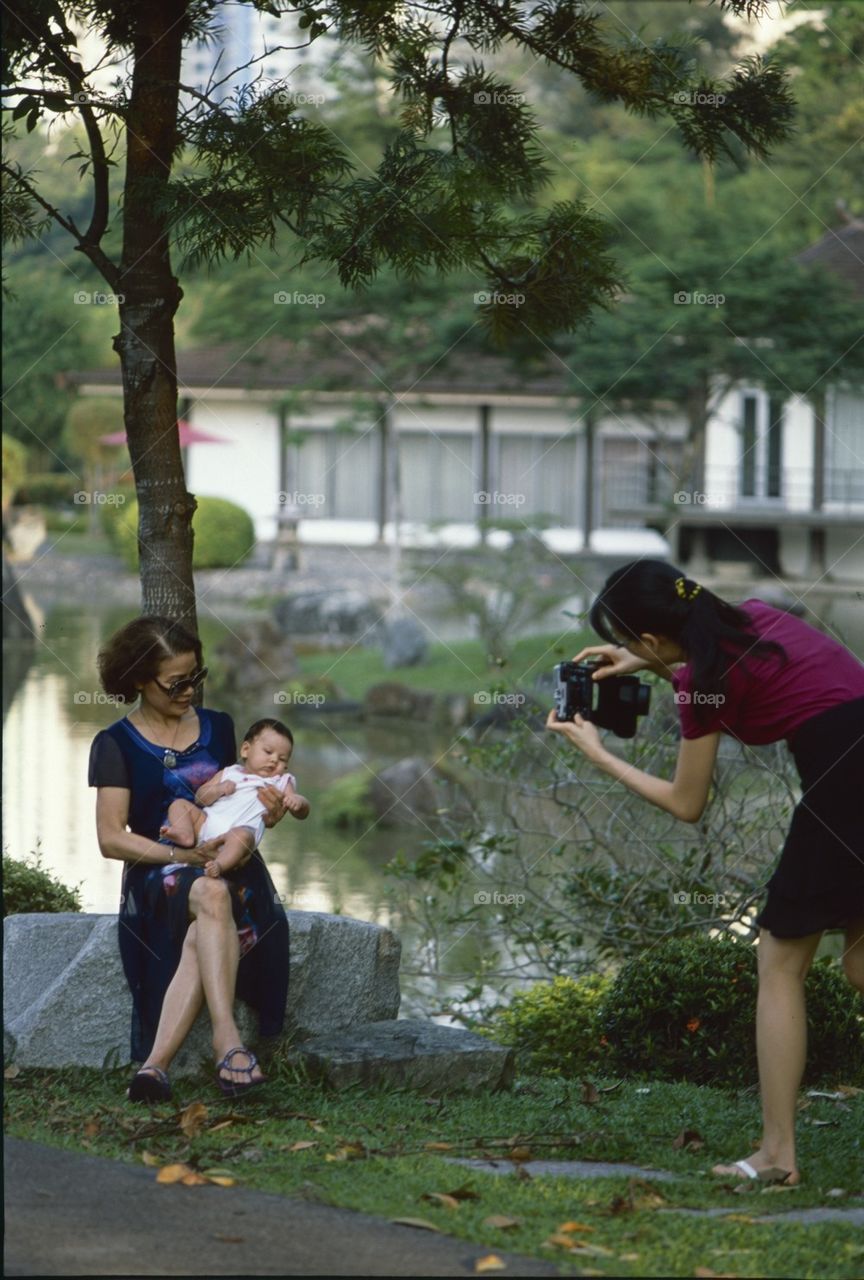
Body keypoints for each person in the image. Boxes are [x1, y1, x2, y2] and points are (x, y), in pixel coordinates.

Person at [546, 559, 864, 1186]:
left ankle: (777, 1156)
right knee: (859, 963)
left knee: (780, 963)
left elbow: (686, 804)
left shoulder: (700, 688)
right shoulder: (758, 619)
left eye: (633, 639)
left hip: (845, 787)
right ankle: (776, 1152)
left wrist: (599, 753)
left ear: (658, 638)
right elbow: (701, 647)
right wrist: (637, 658)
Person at [89, 616, 291, 1102]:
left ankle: (155, 1067)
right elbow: (111, 839)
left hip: (231, 867)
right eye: (176, 682)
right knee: (208, 890)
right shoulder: (114, 744)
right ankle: (228, 1041)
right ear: (139, 679)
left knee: (212, 898)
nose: (189, 691)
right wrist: (182, 853)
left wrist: (273, 813)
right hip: (158, 876)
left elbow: (246, 802)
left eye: (196, 677)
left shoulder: (220, 728)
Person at [160, 717, 310, 879]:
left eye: (282, 760)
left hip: (237, 835)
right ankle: (184, 833)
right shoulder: (229, 772)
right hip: (205, 825)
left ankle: (219, 864)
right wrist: (218, 789)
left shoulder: (279, 781)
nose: (274, 760)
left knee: (243, 836)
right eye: (268, 752)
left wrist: (298, 802)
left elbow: (302, 811)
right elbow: (200, 798)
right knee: (179, 804)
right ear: (246, 749)